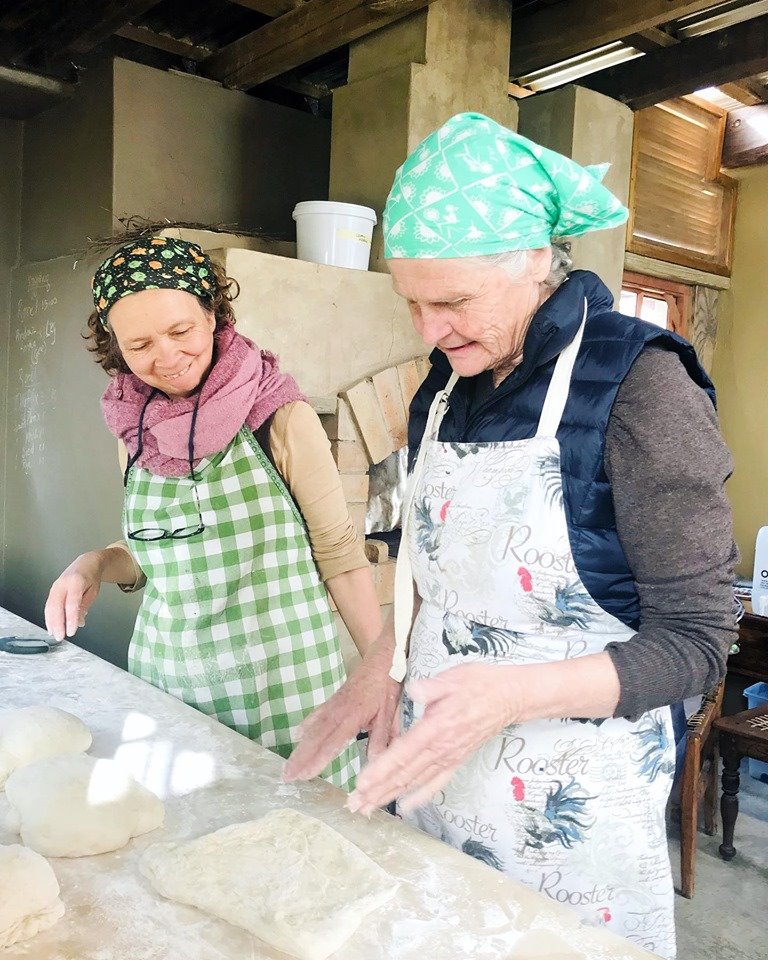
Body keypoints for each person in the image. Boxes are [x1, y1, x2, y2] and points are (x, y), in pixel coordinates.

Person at [283, 114, 738, 956]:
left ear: (535, 258)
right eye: (410, 302)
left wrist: (507, 695)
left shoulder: (642, 386)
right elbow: (433, 575)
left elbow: (700, 642)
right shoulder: (444, 389)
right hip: (437, 771)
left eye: (452, 301)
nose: (429, 331)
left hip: (577, 810)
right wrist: (382, 665)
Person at [45, 234, 382, 790]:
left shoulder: (279, 416)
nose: (167, 357)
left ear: (213, 314)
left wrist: (380, 677)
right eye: (140, 345)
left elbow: (340, 555)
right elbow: (156, 550)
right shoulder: (134, 428)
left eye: (182, 331)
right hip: (170, 686)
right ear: (115, 348)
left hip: (285, 690)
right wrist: (97, 563)